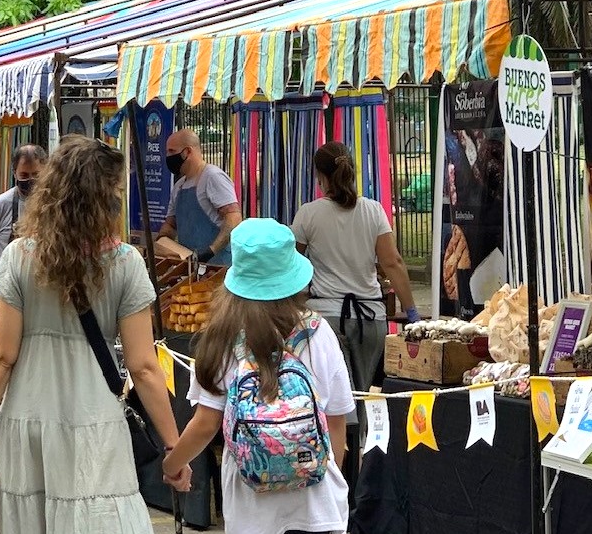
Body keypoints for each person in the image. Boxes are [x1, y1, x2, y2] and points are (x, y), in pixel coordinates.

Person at [0, 135, 190, 534]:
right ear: (104, 196)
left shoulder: (19, 257)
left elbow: (0, 358)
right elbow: (143, 367)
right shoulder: (125, 264)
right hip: (94, 422)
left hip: (25, 420)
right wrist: (174, 446)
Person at [162, 218, 354, 534]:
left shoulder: (222, 339)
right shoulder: (318, 334)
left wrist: (173, 465)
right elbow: (336, 423)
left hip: (252, 511)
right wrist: (320, 474)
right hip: (317, 508)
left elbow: (205, 425)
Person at [291, 142, 418, 397]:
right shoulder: (373, 211)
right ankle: (359, 438)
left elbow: (293, 265)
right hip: (371, 318)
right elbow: (392, 263)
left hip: (326, 318)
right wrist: (412, 311)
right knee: (361, 396)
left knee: (332, 400)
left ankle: (343, 438)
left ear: (320, 176)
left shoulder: (308, 214)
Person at [157, 129, 241, 265]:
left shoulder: (213, 177)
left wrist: (211, 251)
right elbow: (171, 224)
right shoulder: (178, 186)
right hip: (191, 265)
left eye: (171, 151)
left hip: (219, 265)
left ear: (187, 152)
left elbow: (234, 218)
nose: (168, 156)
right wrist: (162, 241)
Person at [0, 144, 47, 277]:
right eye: (24, 175)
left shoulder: (55, 205)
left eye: (36, 175)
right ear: (14, 173)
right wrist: (1, 271)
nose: (30, 180)